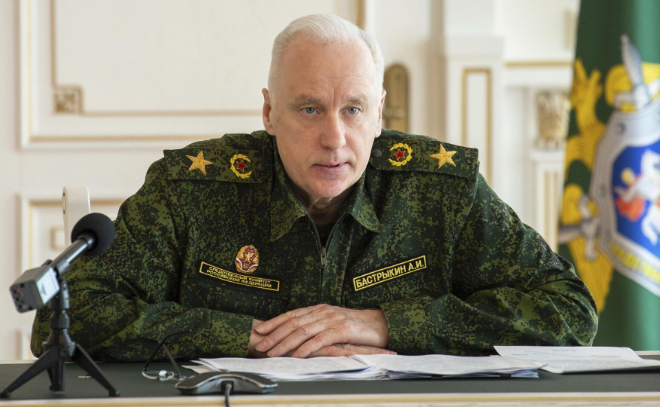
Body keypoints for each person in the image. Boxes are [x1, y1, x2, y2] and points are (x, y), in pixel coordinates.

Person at [31, 14, 598, 361]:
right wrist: (251, 336)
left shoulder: (441, 190)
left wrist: (385, 324)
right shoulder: (191, 189)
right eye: (309, 109)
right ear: (269, 112)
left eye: (353, 109)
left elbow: (569, 309)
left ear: (379, 113)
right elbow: (68, 316)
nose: (335, 137)